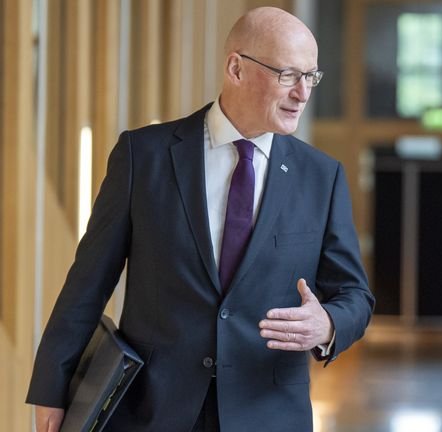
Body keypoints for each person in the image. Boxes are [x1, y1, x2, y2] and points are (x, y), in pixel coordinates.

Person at [27, 7, 374, 432]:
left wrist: (328, 325)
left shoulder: (322, 176)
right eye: (288, 75)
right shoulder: (143, 156)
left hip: (267, 412)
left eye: (311, 77)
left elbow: (355, 294)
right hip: (151, 410)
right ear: (236, 68)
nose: (303, 93)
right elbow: (88, 282)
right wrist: (51, 389)